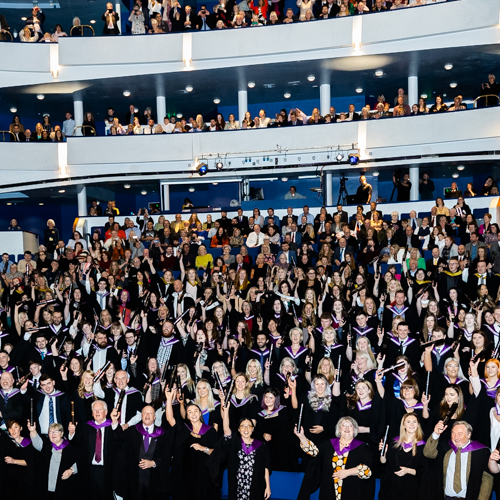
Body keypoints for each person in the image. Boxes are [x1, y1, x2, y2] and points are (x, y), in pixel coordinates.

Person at [295, 416, 373, 499]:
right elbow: (314, 451)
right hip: (329, 490)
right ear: (339, 429)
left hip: (352, 491)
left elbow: (367, 471)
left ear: (354, 429)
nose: (347, 428)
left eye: (350, 425)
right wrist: (301, 437)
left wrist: (347, 472)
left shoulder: (362, 447)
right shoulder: (329, 444)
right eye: (344, 425)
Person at [423, 420, 493, 500]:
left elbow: (487, 478)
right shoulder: (446, 449)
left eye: (460, 434)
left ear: (468, 435)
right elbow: (428, 453)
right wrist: (436, 434)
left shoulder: (481, 452)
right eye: (453, 433)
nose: (456, 437)